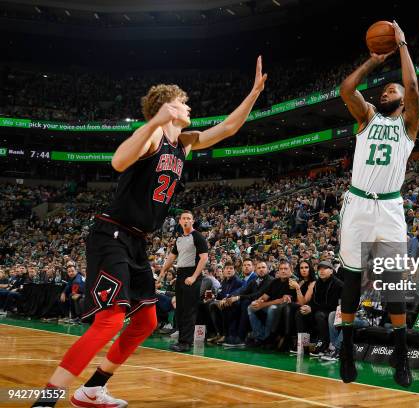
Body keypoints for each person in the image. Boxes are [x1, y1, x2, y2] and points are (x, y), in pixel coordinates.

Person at [33, 56, 267, 408]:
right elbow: (118, 161)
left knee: (146, 320)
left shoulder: (183, 142)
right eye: (183, 103)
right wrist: (154, 123)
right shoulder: (153, 136)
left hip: (137, 241)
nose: (189, 107)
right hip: (111, 233)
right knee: (111, 320)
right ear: (167, 107)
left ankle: (93, 389)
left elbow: (228, 129)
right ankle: (45, 400)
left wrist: (253, 93)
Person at [337, 20, 419, 387]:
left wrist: (401, 45)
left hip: (389, 208)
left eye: (392, 89)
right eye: (384, 89)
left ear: (402, 100)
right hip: (357, 204)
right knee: (352, 278)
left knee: (392, 282)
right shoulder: (367, 116)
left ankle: (401, 356)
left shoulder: (410, 125)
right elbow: (346, 88)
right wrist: (374, 60)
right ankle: (347, 347)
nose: (387, 91)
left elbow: (414, 85)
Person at [157, 210, 209, 352]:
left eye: (188, 218)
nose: (186, 220)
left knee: (189, 310)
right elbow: (171, 258)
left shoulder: (198, 237)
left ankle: (186, 342)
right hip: (180, 274)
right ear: (179, 221)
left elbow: (204, 258)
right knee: (180, 309)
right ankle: (182, 340)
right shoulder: (179, 238)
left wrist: (194, 276)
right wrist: (162, 274)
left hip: (192, 274)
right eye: (183, 218)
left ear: (192, 221)